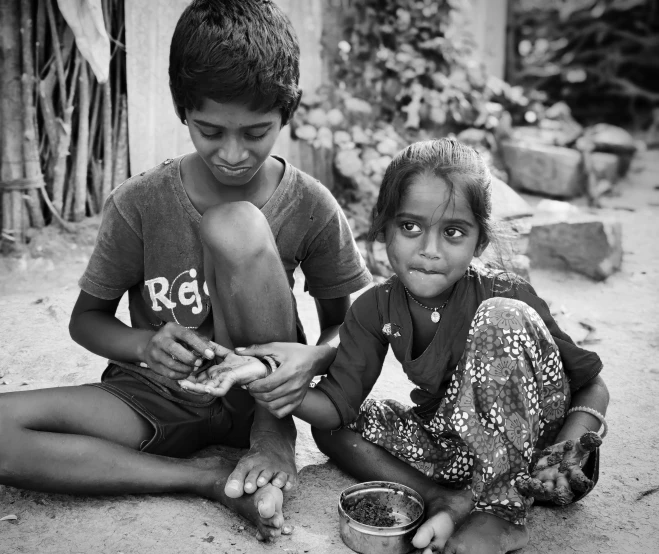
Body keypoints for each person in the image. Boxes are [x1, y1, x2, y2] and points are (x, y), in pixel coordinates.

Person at [0, 0, 372, 542]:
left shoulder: (310, 204)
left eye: (257, 132)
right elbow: (88, 320)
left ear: (286, 113)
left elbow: (349, 325)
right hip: (159, 396)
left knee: (235, 224)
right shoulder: (139, 203)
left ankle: (270, 437)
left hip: (256, 398)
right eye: (210, 130)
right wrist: (147, 346)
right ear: (181, 108)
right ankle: (205, 479)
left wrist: (309, 358)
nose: (234, 153)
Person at [187, 138, 610, 553]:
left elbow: (593, 387)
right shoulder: (376, 307)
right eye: (410, 227)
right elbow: (337, 405)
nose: (429, 250)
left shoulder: (504, 293)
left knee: (502, 316)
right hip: (461, 453)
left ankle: (501, 515)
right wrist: (263, 375)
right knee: (335, 430)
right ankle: (447, 497)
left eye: (453, 232)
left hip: (546, 463)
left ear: (479, 242)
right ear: (384, 227)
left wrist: (566, 449)